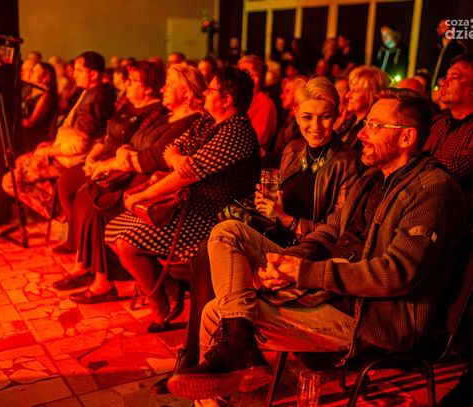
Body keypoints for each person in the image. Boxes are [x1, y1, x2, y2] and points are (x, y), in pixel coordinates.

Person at [167, 88, 467, 401]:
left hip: (371, 315)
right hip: (330, 287)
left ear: (406, 137)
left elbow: (397, 274)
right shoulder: (372, 178)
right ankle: (239, 346)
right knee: (227, 231)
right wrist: (286, 262)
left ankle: (235, 353)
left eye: (375, 126)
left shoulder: (432, 189)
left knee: (217, 313)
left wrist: (302, 272)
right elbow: (328, 232)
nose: (362, 133)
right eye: (366, 123)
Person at [151, 76, 362, 395]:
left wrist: (286, 218)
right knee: (210, 245)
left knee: (214, 250)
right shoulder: (293, 150)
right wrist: (267, 208)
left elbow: (338, 233)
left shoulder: (347, 162)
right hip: (280, 239)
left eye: (325, 117)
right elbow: (277, 200)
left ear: (337, 114)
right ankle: (223, 350)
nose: (316, 126)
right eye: (307, 116)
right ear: (295, 114)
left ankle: (216, 353)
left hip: (310, 255)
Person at [105, 67, 260, 333]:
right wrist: (177, 158)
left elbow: (187, 175)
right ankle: (169, 288)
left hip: (213, 215)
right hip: (187, 205)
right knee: (113, 230)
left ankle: (161, 304)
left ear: (227, 98)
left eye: (210, 90)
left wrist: (143, 194)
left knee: (125, 241)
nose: (205, 94)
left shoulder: (236, 131)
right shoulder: (208, 121)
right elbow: (171, 149)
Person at [57, 65, 207, 303]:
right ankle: (87, 267)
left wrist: (115, 162)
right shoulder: (167, 116)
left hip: (151, 185)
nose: (163, 89)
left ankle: (104, 283)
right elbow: (134, 140)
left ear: (187, 92)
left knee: (96, 205)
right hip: (132, 174)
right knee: (84, 192)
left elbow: (153, 159)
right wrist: (123, 152)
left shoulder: (190, 122)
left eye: (169, 84)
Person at [52, 60, 165, 254]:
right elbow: (106, 135)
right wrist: (91, 157)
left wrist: (103, 164)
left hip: (118, 169)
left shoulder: (155, 113)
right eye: (128, 79)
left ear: (148, 89)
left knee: (84, 196)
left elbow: (133, 148)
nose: (127, 84)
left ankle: (85, 252)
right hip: (102, 159)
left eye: (133, 81)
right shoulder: (127, 105)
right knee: (65, 182)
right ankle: (77, 239)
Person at [2, 51, 115, 219]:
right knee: (18, 162)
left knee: (10, 181)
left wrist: (48, 151)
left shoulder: (94, 99)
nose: (74, 74)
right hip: (65, 155)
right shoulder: (91, 92)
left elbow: (78, 146)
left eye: (79, 70)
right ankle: (60, 203)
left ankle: (63, 214)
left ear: (93, 74)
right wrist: (51, 146)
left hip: (71, 160)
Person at [423, 54, 473, 222]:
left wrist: (417, 160)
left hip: (454, 222)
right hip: (420, 209)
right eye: (446, 76)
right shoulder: (435, 121)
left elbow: (458, 168)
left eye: (454, 77)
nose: (444, 82)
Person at [337, 66, 390, 151]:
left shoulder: (372, 129)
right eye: (350, 89)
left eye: (356, 90)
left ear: (372, 95)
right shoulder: (351, 120)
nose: (348, 95)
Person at [238, 55, 277, 159]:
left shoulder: (264, 104)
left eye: (242, 73)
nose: (236, 77)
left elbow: (256, 141)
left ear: (255, 79)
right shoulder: (243, 101)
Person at [18, 62, 58, 153]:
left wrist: (12, 121)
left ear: (45, 77)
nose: (30, 73)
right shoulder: (29, 90)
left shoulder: (47, 95)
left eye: (34, 72)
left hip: (33, 140)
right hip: (22, 134)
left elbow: (30, 122)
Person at [431, 18, 467, 90]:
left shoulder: (458, 47)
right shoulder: (437, 46)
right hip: (434, 85)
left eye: (443, 27)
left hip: (447, 85)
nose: (439, 29)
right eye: (439, 27)